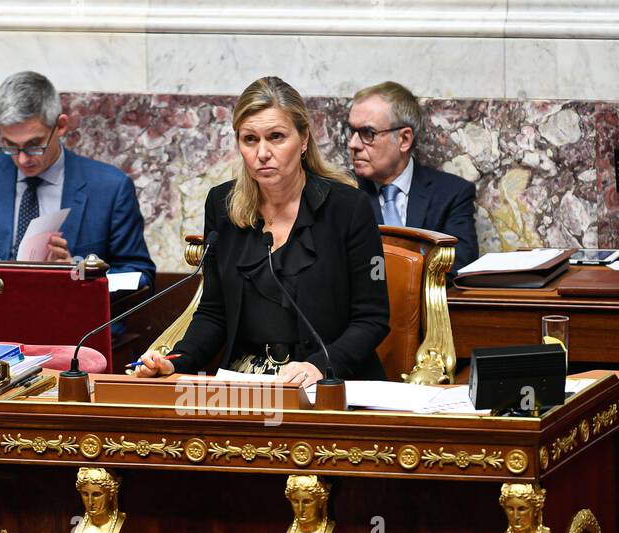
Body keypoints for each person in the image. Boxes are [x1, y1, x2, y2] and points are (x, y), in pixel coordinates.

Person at [135, 76, 390, 383]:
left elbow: (372, 318)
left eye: (277, 137)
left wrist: (319, 366)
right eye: (250, 139)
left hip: (328, 379)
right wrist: (177, 362)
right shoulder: (223, 205)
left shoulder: (348, 208)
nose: (263, 153)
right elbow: (214, 312)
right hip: (246, 380)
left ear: (304, 138)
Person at [0, 71, 156, 286]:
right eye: (10, 145)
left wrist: (79, 274)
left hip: (77, 317)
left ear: (61, 126)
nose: (22, 159)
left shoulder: (111, 188)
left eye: (34, 144)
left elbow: (141, 276)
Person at [347, 81, 479, 272]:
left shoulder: (451, 194)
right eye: (352, 131)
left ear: (404, 139)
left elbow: (460, 262)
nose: (353, 144)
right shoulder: (340, 190)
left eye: (368, 133)